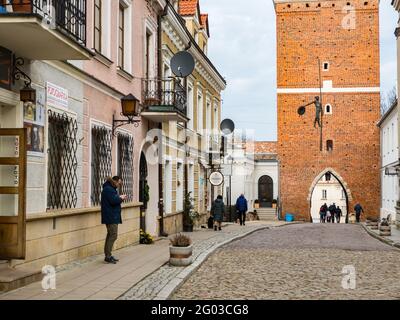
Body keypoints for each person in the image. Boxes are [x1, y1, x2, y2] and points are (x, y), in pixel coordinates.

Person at [101, 176, 127, 264]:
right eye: (119, 183)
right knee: (113, 235)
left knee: (110, 235)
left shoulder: (110, 188)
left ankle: (108, 255)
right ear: (115, 181)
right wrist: (121, 198)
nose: (119, 185)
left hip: (111, 216)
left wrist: (119, 197)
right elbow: (113, 201)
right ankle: (108, 256)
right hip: (111, 216)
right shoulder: (108, 189)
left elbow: (112, 199)